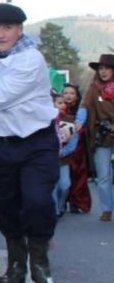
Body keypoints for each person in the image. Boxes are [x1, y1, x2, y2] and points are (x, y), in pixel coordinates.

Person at [0, 3, 58, 283]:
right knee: (7, 206)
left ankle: (41, 265)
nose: (0, 34)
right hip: (0, 142)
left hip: (36, 142)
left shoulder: (30, 60)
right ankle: (16, 265)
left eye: (7, 28)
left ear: (20, 30)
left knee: (36, 202)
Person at [81, 54, 114, 222]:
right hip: (102, 136)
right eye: (101, 68)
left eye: (107, 68)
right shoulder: (93, 88)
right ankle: (107, 208)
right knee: (103, 176)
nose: (103, 71)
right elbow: (85, 106)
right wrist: (78, 123)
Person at [58, 82, 90, 214]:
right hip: (62, 147)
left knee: (78, 175)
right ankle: (62, 203)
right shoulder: (57, 107)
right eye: (65, 93)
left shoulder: (81, 109)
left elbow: (78, 126)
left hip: (77, 148)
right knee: (63, 177)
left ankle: (76, 201)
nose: (68, 96)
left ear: (77, 96)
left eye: (72, 93)